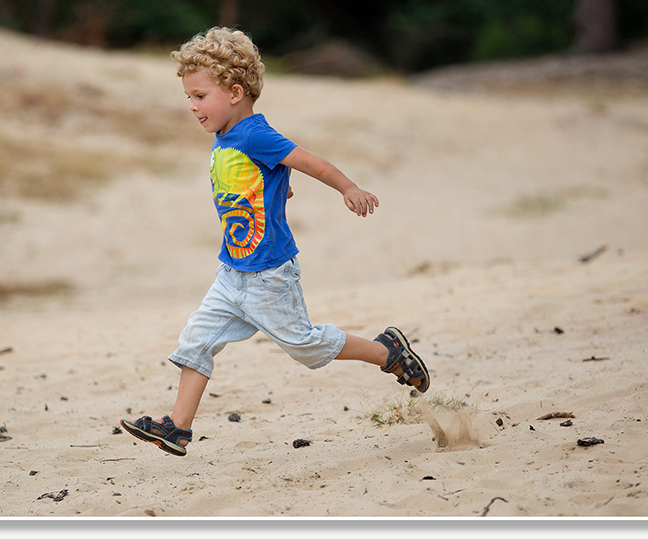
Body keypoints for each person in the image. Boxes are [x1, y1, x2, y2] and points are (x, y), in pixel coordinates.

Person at [121, 27, 429, 457]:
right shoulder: (227, 136)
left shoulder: (254, 134)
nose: (192, 106)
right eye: (188, 97)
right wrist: (275, 187)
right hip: (231, 272)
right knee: (196, 340)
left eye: (199, 96)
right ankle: (178, 426)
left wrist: (348, 187)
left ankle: (386, 351)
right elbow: (257, 180)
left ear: (234, 92)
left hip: (268, 275)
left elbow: (308, 161)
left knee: (304, 345)